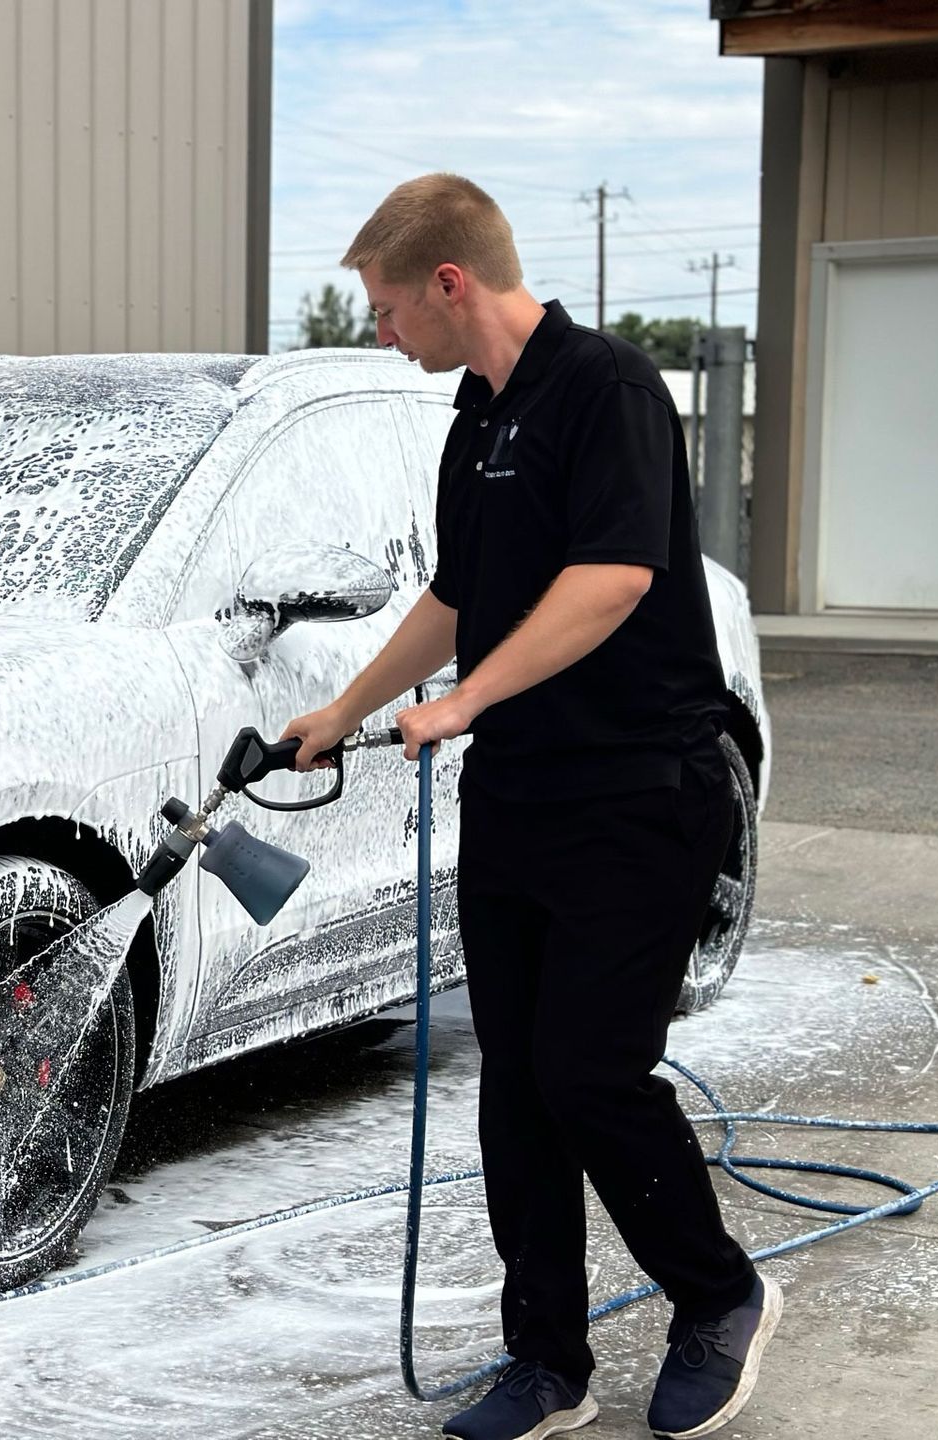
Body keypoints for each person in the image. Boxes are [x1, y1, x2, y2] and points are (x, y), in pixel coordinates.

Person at [281, 174, 779, 1440]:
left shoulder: (607, 390)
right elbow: (460, 593)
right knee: (516, 1089)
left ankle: (720, 1297)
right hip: (523, 800)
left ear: (452, 284)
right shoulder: (475, 418)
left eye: (390, 308)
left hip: (641, 790)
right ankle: (547, 1361)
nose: (384, 333)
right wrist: (343, 710)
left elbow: (611, 579)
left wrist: (460, 706)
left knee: (590, 1073)